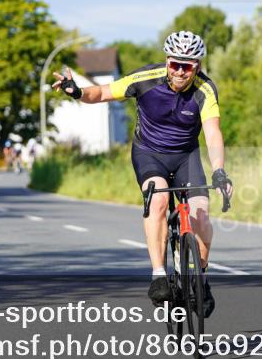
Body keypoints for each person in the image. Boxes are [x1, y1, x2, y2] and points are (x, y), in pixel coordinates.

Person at [52, 31, 233, 317]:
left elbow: (213, 133)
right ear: (167, 61)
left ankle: (201, 277)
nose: (180, 72)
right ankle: (159, 274)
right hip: (149, 154)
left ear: (197, 66)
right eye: (175, 64)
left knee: (201, 213)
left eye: (187, 66)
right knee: (158, 199)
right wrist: (77, 92)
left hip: (186, 157)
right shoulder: (146, 79)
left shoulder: (205, 90)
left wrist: (219, 170)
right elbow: (102, 93)